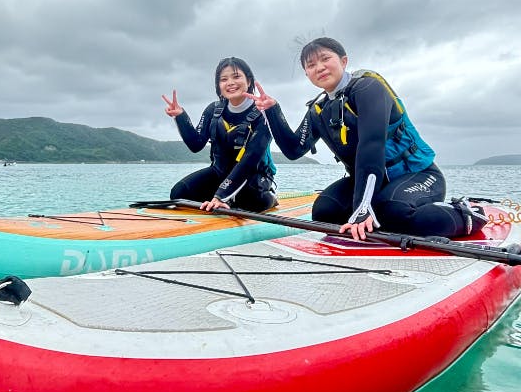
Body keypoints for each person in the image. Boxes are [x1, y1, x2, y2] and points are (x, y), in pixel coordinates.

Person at [245, 37, 487, 240]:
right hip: (376, 183)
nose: (319, 67)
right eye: (310, 65)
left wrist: (362, 208)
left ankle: (467, 215)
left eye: (325, 59)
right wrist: (272, 112)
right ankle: (375, 216)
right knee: (324, 211)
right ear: (307, 73)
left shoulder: (368, 88)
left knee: (390, 211)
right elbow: (294, 149)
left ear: (343, 61)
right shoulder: (319, 109)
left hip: (419, 177)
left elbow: (372, 146)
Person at [162, 57, 277, 212]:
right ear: (218, 85)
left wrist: (220, 196)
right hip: (219, 172)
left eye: (236, 77)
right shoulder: (213, 110)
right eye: (223, 79)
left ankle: (270, 197)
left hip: (254, 175)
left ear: (248, 81)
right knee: (179, 193)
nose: (230, 82)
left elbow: (249, 161)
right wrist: (180, 116)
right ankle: (225, 198)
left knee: (248, 201)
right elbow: (196, 144)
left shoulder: (263, 113)